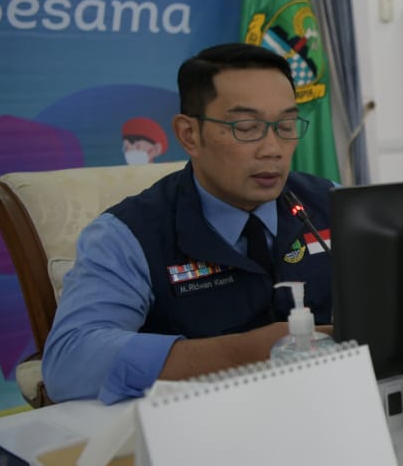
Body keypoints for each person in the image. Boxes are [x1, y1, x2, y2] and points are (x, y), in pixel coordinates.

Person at [42, 43, 335, 403]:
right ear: (189, 135)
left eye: (287, 125)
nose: (273, 148)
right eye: (247, 127)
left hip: (332, 407)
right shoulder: (127, 235)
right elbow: (69, 362)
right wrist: (243, 352)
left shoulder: (331, 203)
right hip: (197, 430)